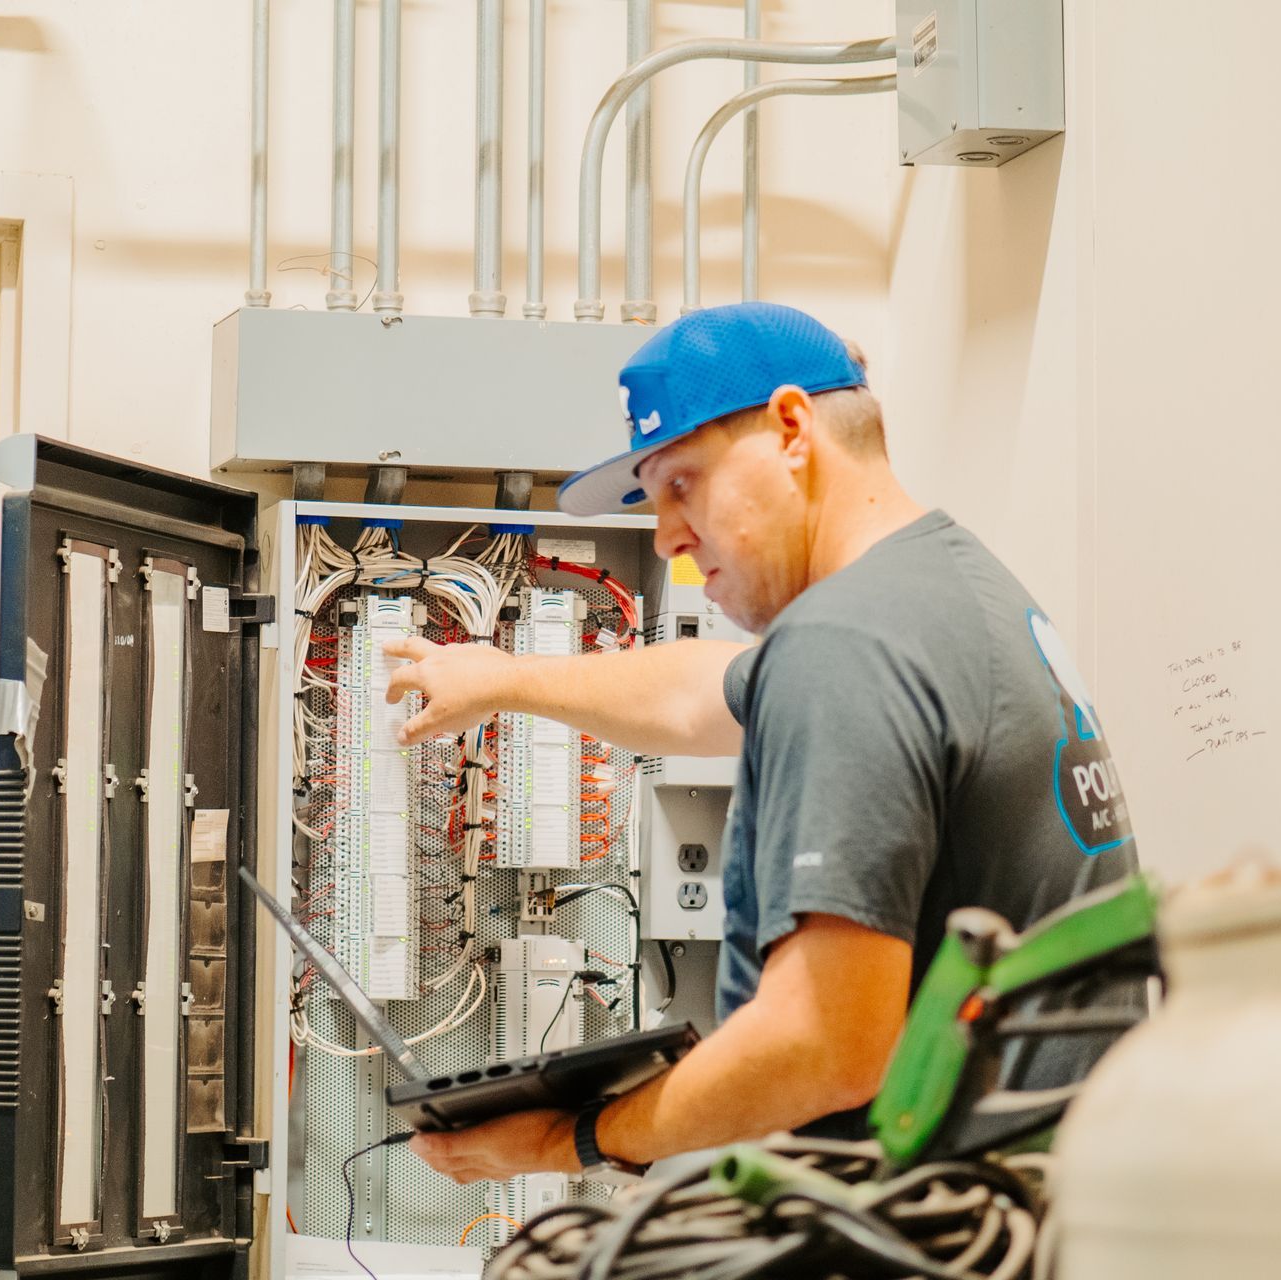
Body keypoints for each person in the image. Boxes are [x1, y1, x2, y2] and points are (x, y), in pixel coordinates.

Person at [383, 302, 1139, 1184]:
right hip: (1052, 1199)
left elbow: (823, 1045)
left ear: (791, 427)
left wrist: (566, 1141)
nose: (667, 534)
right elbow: (707, 691)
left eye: (681, 485)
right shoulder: (947, 587)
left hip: (945, 1223)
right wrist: (502, 678)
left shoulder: (847, 643)